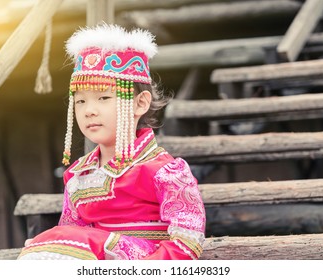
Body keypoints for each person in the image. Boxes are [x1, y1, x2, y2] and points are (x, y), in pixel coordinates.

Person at [18, 23, 206, 260]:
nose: (89, 111)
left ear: (140, 103)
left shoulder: (165, 172)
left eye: (104, 97)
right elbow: (70, 239)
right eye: (81, 101)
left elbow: (187, 243)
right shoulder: (78, 176)